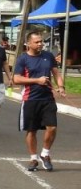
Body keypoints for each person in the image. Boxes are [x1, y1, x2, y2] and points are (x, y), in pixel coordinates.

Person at [13, 30, 65, 172]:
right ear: (28, 43)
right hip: (30, 99)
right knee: (32, 130)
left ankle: (45, 154)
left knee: (52, 128)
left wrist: (61, 87)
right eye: (37, 42)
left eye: (41, 41)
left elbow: (56, 74)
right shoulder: (23, 59)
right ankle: (33, 158)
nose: (40, 44)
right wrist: (37, 80)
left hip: (48, 98)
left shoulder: (48, 56)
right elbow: (16, 79)